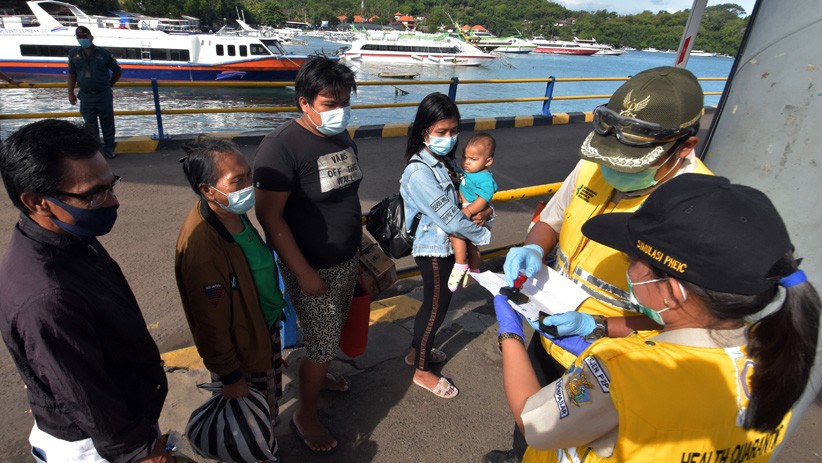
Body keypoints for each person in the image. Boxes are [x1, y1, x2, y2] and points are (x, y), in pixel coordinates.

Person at [493, 173, 820, 462]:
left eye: (631, 260)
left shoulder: (622, 371)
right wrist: (598, 325)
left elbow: (532, 422)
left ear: (672, 292)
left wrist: (510, 333)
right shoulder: (777, 355)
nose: (630, 270)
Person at [485, 66, 713, 463]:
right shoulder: (595, 161)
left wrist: (598, 327)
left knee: (570, 442)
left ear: (684, 147)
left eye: (630, 164)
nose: (613, 171)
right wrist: (534, 248)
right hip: (550, 327)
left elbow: (685, 322)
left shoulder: (699, 212)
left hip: (611, 359)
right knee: (530, 426)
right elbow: (553, 218)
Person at [0, 119, 172, 462]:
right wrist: (141, 451)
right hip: (95, 446)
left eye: (111, 185)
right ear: (38, 201)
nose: (112, 202)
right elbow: (85, 396)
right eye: (94, 193)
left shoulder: (67, 238)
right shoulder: (48, 297)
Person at [253, 56, 360, 455]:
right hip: (313, 265)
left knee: (327, 337)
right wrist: (303, 273)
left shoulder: (339, 136)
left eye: (345, 102)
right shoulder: (281, 148)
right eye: (330, 104)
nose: (340, 111)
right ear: (304, 103)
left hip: (346, 257)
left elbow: (345, 194)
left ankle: (320, 371)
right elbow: (269, 215)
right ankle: (306, 413)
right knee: (319, 342)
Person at [175, 140, 286, 457]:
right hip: (243, 351)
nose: (249, 186)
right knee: (255, 420)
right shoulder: (205, 248)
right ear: (208, 190)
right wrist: (231, 376)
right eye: (238, 181)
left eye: (249, 176)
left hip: (261, 333)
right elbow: (209, 323)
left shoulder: (231, 214)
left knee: (267, 402)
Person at [400, 92, 493, 398]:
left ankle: (417, 353)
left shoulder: (444, 161)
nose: (449, 138)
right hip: (434, 251)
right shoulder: (418, 171)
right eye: (441, 132)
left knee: (437, 305)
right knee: (435, 309)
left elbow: (466, 197)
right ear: (423, 131)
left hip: (448, 248)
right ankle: (422, 372)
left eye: (453, 131)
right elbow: (451, 219)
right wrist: (481, 235)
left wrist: (486, 210)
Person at [448, 132, 498, 292]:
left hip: (473, 209)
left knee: (455, 233)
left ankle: (461, 263)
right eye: (464, 157)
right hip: (468, 208)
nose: (466, 162)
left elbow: (485, 197)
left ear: (488, 161)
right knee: (471, 244)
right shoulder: (469, 172)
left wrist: (469, 210)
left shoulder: (485, 178)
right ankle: (475, 271)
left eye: (473, 159)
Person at [67, 26, 121, 159]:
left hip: (103, 95)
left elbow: (117, 71)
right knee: (90, 126)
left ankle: (109, 148)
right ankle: (96, 152)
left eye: (84, 37)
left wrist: (109, 85)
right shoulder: (74, 54)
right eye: (79, 37)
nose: (82, 40)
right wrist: (70, 92)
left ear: (91, 37)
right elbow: (72, 74)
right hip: (86, 96)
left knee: (108, 123)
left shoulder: (103, 53)